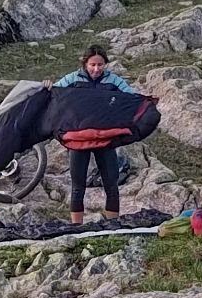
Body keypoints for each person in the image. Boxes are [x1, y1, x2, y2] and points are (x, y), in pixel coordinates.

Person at [47, 46, 150, 227]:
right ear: (85, 63)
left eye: (100, 65)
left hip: (105, 139)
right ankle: (76, 227)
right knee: (78, 185)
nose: (96, 69)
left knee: (111, 183)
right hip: (79, 139)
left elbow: (131, 97)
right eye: (92, 64)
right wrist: (47, 87)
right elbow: (55, 93)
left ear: (105, 64)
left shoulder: (114, 81)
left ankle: (113, 225)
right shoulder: (73, 79)